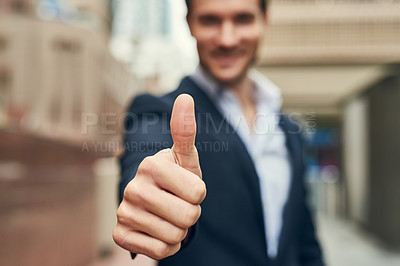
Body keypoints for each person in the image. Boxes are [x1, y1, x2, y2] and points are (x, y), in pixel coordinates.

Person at [113, 0, 325, 265]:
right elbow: (145, 158)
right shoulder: (159, 113)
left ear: (264, 20)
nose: (227, 39)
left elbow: (304, 241)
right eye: (210, 20)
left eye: (242, 19)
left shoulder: (288, 130)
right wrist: (154, 197)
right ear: (190, 23)